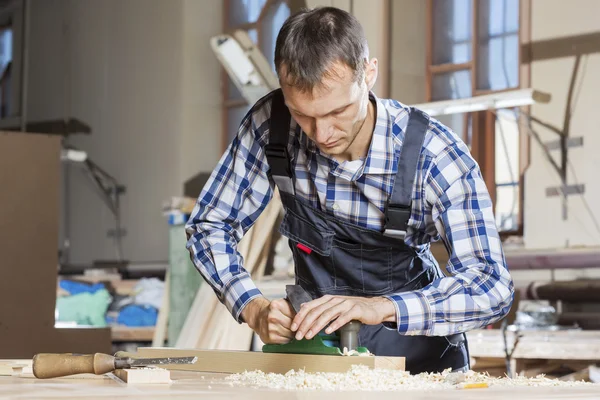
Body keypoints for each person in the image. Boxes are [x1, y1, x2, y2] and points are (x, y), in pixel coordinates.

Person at [185, 6, 514, 373]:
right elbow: (209, 226)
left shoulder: (435, 154)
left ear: (368, 74)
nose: (321, 134)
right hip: (320, 356)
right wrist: (252, 306)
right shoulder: (271, 124)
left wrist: (379, 307)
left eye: (337, 112)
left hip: (418, 361)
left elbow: (491, 286)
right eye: (302, 114)